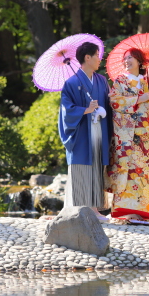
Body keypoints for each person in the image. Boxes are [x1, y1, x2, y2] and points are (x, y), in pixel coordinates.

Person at [105, 48, 149, 225]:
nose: (126, 61)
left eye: (130, 57)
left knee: (145, 174)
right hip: (128, 138)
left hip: (147, 137)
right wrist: (139, 99)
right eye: (125, 58)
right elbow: (115, 102)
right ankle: (126, 213)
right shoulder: (120, 81)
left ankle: (142, 213)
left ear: (140, 61)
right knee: (129, 172)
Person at [58, 41, 112, 222]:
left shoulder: (101, 81)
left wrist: (107, 107)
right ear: (87, 57)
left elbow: (110, 103)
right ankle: (81, 211)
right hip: (81, 133)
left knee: (96, 166)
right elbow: (66, 110)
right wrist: (85, 110)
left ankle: (95, 210)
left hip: (99, 130)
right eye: (97, 55)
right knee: (82, 167)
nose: (99, 59)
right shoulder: (71, 83)